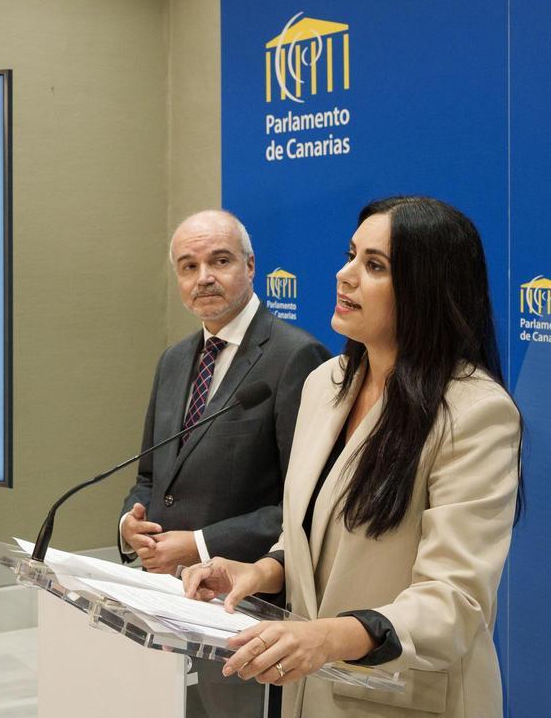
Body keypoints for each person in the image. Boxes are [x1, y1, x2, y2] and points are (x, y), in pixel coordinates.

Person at [182, 196, 522, 718]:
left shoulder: (475, 413)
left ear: (427, 290)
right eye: (351, 254)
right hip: (307, 693)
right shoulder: (325, 384)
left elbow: (455, 603)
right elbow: (316, 533)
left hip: (405, 698)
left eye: (375, 266)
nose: (344, 275)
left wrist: (328, 638)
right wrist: (263, 572)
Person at [121, 209, 329, 716]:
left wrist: (197, 545)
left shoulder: (296, 357)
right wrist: (133, 523)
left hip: (244, 607)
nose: (203, 278)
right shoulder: (173, 360)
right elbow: (151, 475)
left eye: (219, 260)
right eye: (188, 266)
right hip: (168, 598)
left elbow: (305, 507)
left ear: (251, 266)